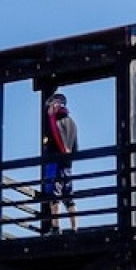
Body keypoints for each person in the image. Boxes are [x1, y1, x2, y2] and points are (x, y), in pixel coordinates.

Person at [41, 92, 78, 230]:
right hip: (67, 165)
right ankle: (75, 227)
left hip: (55, 162)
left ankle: (55, 227)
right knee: (69, 196)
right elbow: (76, 147)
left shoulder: (54, 121)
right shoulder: (72, 123)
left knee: (53, 194)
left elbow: (56, 138)